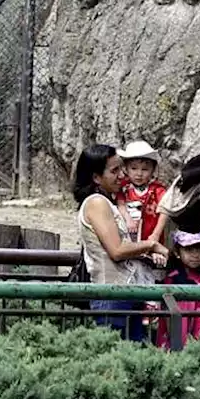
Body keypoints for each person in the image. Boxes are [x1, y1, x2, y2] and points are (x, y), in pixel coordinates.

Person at [73, 144, 168, 342]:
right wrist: (150, 245)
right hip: (110, 295)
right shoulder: (97, 203)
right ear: (96, 177)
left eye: (121, 169)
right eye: (114, 171)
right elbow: (116, 250)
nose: (121, 176)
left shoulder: (108, 202)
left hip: (123, 292)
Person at [156, 230, 200, 349]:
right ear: (177, 252)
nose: (195, 254)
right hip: (183, 344)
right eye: (189, 249)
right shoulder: (174, 280)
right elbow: (176, 324)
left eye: (199, 248)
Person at [117, 140, 168, 244]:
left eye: (145, 169)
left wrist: (156, 235)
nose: (139, 174)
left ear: (153, 170)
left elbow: (165, 211)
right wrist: (128, 219)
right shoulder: (123, 188)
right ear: (126, 169)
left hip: (151, 238)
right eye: (134, 168)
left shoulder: (157, 190)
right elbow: (120, 204)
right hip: (129, 236)